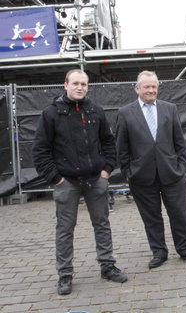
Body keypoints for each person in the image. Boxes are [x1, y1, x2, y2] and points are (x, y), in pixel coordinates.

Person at [32, 69, 127, 296]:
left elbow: (108, 142)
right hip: (67, 183)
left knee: (102, 224)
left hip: (96, 180)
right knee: (65, 229)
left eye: (84, 84)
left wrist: (106, 170)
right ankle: (65, 275)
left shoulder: (96, 111)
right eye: (75, 83)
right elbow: (40, 150)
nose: (80, 88)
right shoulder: (51, 114)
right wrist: (56, 178)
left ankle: (107, 266)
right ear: (65, 85)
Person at [115, 70, 186, 268]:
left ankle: (185, 248)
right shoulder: (125, 113)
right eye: (147, 87)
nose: (151, 90)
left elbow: (179, 141)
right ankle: (159, 252)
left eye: (154, 87)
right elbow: (121, 148)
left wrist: (181, 166)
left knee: (179, 213)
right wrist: (129, 172)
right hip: (142, 177)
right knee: (151, 216)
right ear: (137, 89)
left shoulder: (170, 109)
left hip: (172, 173)